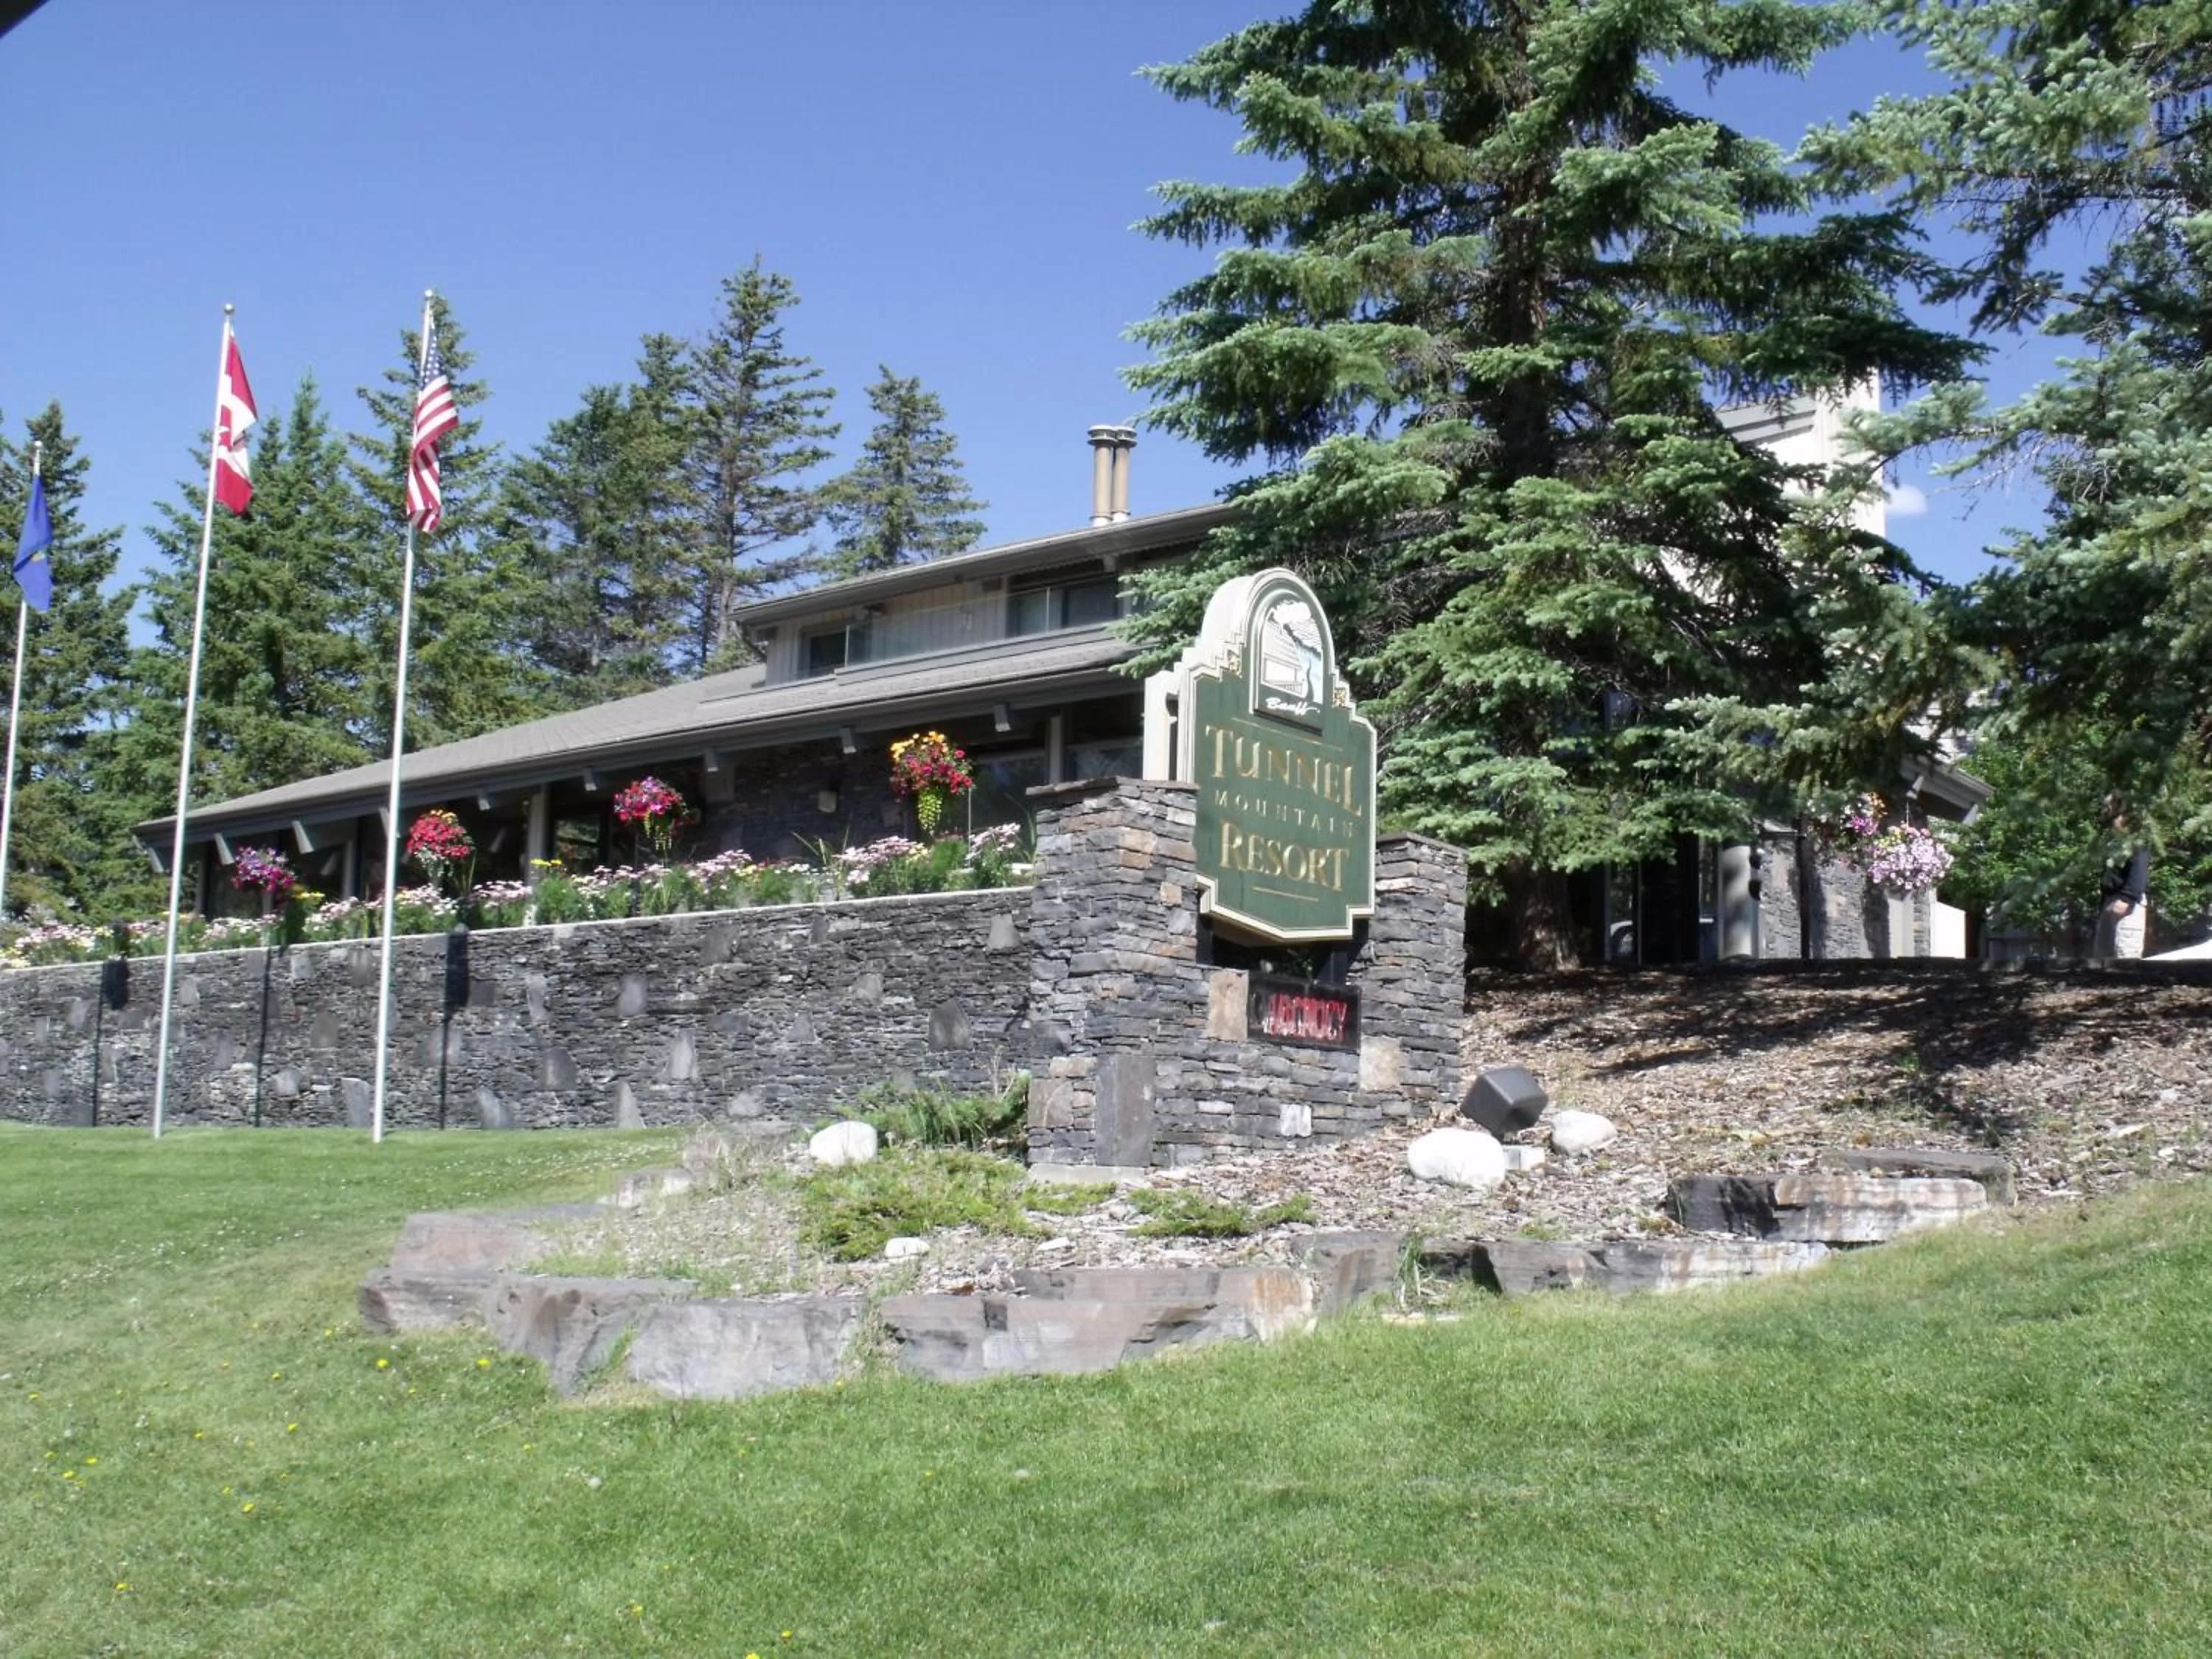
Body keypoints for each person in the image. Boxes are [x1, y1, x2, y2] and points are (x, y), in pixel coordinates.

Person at [2093, 807, 2151, 959]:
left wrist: (2127, 898)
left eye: (2114, 816)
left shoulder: (2137, 842)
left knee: (2126, 954)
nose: (2111, 821)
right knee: (2102, 955)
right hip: (2110, 902)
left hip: (2127, 904)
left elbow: (2139, 872)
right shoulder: (2114, 843)